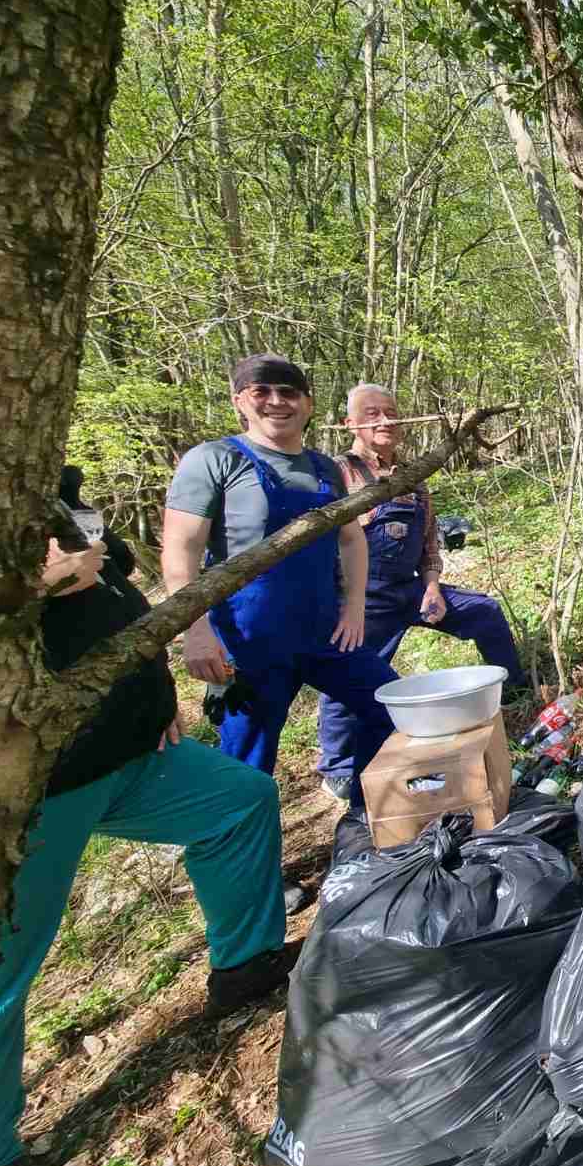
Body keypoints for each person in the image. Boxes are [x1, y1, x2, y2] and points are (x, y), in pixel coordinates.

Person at [0, 537, 291, 1166]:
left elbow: (117, 568)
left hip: (134, 754)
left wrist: (150, 705)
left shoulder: (46, 483)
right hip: (35, 783)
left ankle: (246, 965)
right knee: (4, 966)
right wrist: (32, 582)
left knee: (239, 801)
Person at [162, 354, 397, 827]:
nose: (276, 401)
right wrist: (196, 632)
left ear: (308, 404)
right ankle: (254, 875)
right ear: (239, 401)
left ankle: (368, 816)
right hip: (245, 645)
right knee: (246, 765)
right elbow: (179, 551)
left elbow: (350, 538)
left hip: (323, 633)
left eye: (289, 392)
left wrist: (352, 607)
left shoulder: (325, 469)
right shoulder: (215, 459)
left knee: (393, 707)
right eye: (261, 391)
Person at [315, 384, 527, 802]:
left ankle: (515, 692)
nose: (385, 421)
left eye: (391, 412)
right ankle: (338, 768)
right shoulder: (336, 473)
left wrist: (431, 586)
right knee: (347, 670)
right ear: (350, 423)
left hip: (410, 589)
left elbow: (429, 542)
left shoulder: (414, 477)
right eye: (372, 414)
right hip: (359, 599)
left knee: (484, 612)